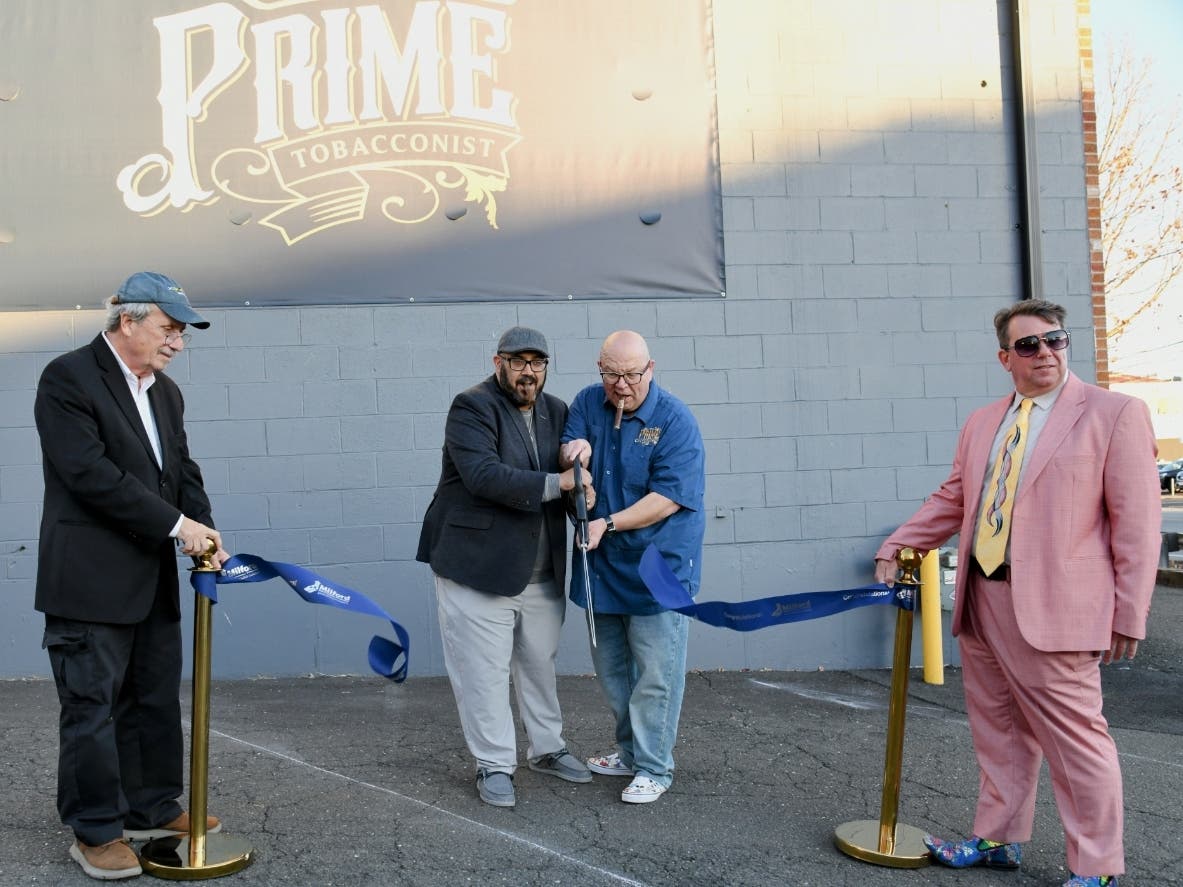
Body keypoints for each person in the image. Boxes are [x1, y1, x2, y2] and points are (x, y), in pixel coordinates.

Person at [874, 300, 1159, 887]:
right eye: (1029, 345)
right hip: (983, 598)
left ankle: (1097, 868)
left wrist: (1130, 612)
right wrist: (900, 544)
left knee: (1077, 743)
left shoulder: (1115, 414)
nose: (1045, 352)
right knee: (999, 730)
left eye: (1056, 340)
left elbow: (1137, 524)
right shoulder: (984, 421)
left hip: (1058, 609)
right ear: (1006, 358)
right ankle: (999, 838)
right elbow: (955, 498)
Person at [34, 272, 229, 881]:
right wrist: (177, 525)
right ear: (128, 321)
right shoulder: (67, 378)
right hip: (89, 581)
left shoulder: (164, 393)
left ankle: (152, 806)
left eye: (182, 334)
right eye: (169, 329)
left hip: (151, 578)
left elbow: (182, 470)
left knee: (152, 699)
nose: (177, 343)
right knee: (91, 707)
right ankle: (95, 832)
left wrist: (205, 530)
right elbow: (89, 474)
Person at [417, 326, 593, 808]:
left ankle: (547, 749)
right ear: (499, 363)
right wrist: (562, 483)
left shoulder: (558, 411)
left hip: (541, 572)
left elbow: (573, 475)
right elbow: (483, 476)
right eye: (518, 362)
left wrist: (585, 492)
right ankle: (494, 763)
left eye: (537, 362)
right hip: (477, 569)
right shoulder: (471, 407)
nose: (528, 372)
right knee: (483, 674)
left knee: (539, 666)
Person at [560, 330, 705, 804]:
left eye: (631, 375)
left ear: (651, 369)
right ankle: (630, 752)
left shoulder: (675, 421)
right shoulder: (588, 401)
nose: (620, 385)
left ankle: (654, 768)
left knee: (656, 674)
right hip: (602, 567)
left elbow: (667, 499)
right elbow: (569, 445)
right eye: (610, 374)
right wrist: (575, 458)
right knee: (613, 671)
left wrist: (607, 522)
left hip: (657, 568)